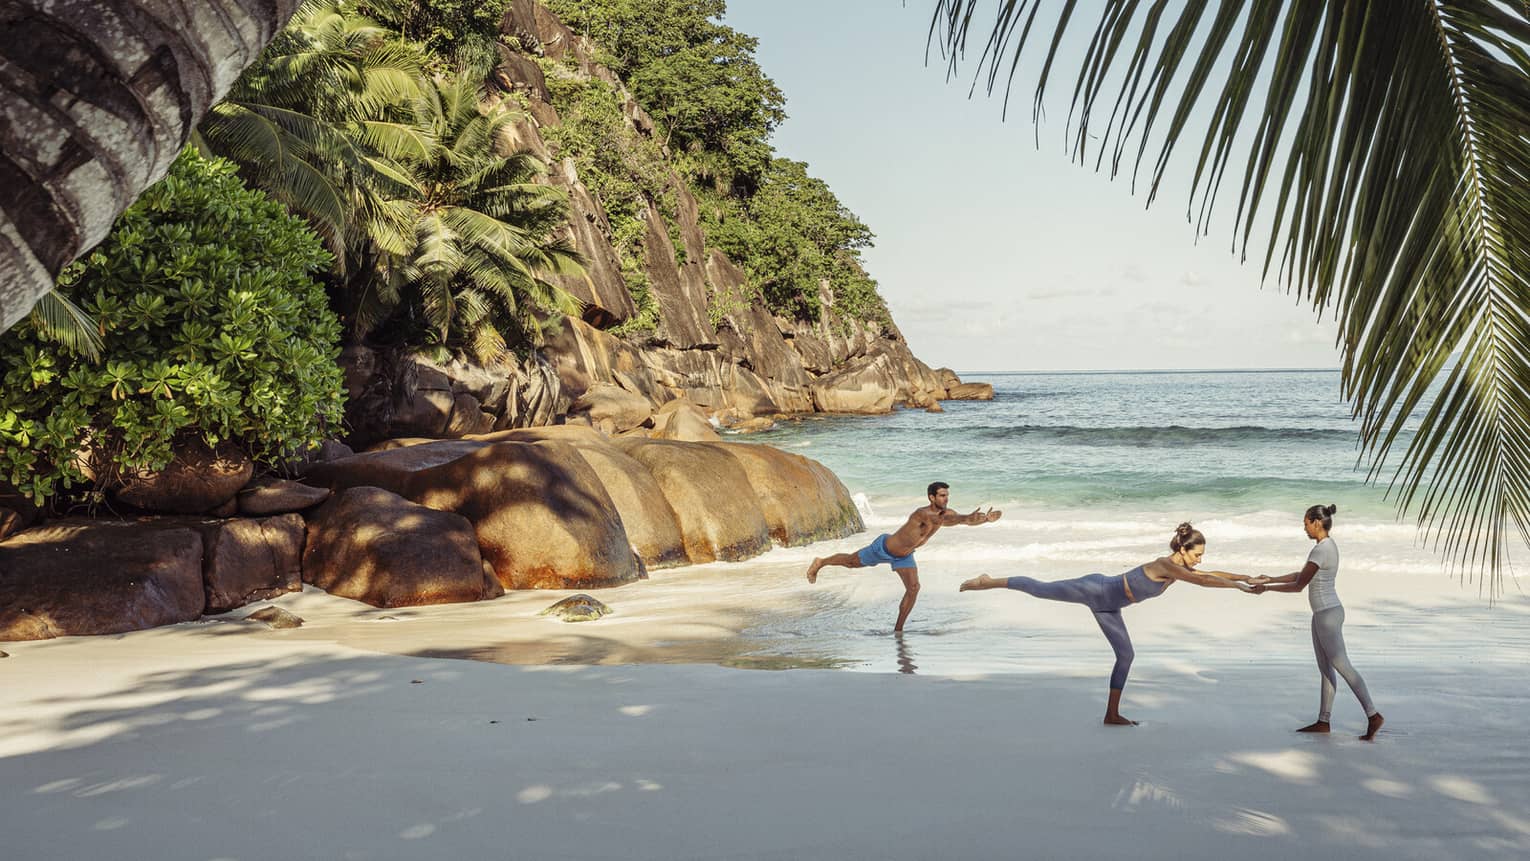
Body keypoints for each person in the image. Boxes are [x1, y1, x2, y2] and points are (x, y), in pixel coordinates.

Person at [959, 523, 1255, 726]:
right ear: (1183, 550)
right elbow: (1203, 580)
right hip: (1095, 589)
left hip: (1111, 607)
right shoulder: (1166, 564)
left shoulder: (1180, 569)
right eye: (1197, 555)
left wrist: (1244, 577)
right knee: (1040, 588)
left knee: (1126, 656)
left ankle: (1112, 715)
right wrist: (1238, 588)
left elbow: (1210, 573)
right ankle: (988, 581)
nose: (1200, 560)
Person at [1250, 504, 1384, 741]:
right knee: (1326, 669)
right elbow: (1299, 575)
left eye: (1305, 523)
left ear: (1316, 522)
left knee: (1343, 667)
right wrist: (1270, 578)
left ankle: (1373, 715)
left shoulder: (1321, 550)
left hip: (1328, 616)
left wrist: (1266, 588)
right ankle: (1324, 721)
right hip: (1323, 614)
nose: (1304, 528)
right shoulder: (1325, 547)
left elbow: (1299, 586)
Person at [805, 481, 1002, 631]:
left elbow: (959, 521)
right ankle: (821, 562)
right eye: (942, 496)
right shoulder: (923, 513)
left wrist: (984, 519)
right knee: (850, 562)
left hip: (904, 556)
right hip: (884, 548)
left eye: (947, 496)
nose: (945, 499)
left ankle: (898, 630)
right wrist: (967, 517)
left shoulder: (945, 514)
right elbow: (956, 518)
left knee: (914, 588)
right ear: (931, 497)